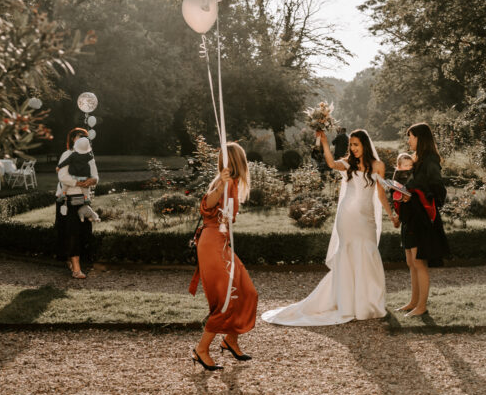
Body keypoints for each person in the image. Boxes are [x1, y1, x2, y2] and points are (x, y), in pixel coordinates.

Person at [262, 128, 395, 325]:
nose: (353, 148)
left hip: (366, 218)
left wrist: (392, 215)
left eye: (356, 145)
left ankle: (368, 302)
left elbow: (381, 194)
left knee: (367, 252)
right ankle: (347, 303)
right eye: (351, 145)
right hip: (347, 217)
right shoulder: (348, 163)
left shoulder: (378, 165)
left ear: (365, 145)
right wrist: (324, 142)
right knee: (348, 254)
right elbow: (331, 164)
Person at [188, 142, 257, 369]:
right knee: (226, 299)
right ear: (239, 161)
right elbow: (206, 206)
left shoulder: (234, 183)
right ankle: (201, 349)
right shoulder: (223, 181)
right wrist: (221, 186)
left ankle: (230, 340)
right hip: (211, 243)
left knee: (247, 292)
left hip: (222, 243)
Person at [396, 123, 449, 315]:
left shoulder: (431, 160)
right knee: (411, 261)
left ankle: (422, 306)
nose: (408, 140)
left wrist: (416, 193)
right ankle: (413, 302)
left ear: (420, 138)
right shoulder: (415, 159)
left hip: (422, 218)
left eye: (410, 136)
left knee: (419, 262)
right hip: (410, 215)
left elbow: (438, 189)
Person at [55, 130, 98, 278]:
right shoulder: (67, 154)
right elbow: (62, 175)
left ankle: (73, 261)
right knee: (72, 233)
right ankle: (76, 268)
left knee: (84, 233)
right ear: (73, 139)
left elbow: (95, 175)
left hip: (84, 199)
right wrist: (78, 182)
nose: (83, 140)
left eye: (85, 137)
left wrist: (93, 180)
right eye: (80, 137)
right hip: (68, 200)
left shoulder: (89, 156)